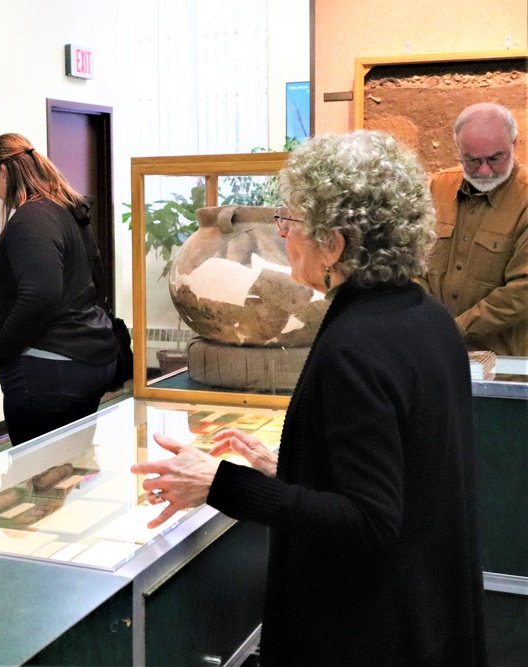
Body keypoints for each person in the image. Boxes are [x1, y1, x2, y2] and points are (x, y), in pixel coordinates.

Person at [132, 131, 487, 666]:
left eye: (290, 221)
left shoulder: (355, 345)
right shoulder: (425, 318)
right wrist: (297, 467)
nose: (282, 234)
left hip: (367, 635)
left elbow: (369, 523)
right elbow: (409, 470)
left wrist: (220, 482)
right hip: (431, 615)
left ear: (335, 244)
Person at [0, 133, 117, 446]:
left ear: (4, 171)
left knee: (38, 483)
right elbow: (93, 280)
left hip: (51, 370)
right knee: (68, 470)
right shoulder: (65, 209)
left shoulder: (32, 218)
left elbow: (40, 297)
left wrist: (2, 350)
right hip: (85, 357)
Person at [419, 102, 528, 355]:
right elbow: (415, 260)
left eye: (495, 158)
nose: (484, 170)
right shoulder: (438, 186)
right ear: (458, 149)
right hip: (433, 353)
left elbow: (523, 288)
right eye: (472, 160)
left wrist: (453, 330)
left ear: (514, 143)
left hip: (503, 365)